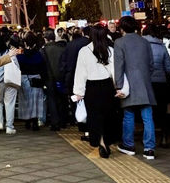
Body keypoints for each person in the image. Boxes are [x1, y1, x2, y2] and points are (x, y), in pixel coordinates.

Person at [72, 24, 120, 158]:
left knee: (95, 117)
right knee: (108, 116)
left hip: (91, 88)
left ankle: (101, 142)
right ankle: (106, 141)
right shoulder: (110, 50)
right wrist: (118, 87)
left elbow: (80, 73)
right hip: (107, 87)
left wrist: (79, 92)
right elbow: (114, 71)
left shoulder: (84, 51)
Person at [114, 16, 157, 160]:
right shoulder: (145, 42)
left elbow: (118, 66)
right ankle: (149, 149)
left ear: (122, 28)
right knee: (147, 117)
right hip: (145, 84)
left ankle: (128, 145)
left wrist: (119, 86)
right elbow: (151, 65)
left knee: (128, 115)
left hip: (129, 85)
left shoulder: (119, 42)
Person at [143, 24, 170, 147]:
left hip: (147, 82)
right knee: (162, 110)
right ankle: (164, 136)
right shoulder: (162, 47)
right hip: (161, 83)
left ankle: (150, 138)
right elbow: (168, 68)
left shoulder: (142, 47)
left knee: (147, 110)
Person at [18, 32, 48, 130]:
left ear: (25, 43)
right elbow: (43, 69)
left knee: (25, 101)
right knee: (36, 102)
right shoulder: (39, 55)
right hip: (36, 79)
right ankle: (35, 122)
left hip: (24, 79)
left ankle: (27, 121)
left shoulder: (20, 57)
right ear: (35, 44)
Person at [41, 29, 67, 130]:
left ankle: (55, 122)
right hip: (61, 77)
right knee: (63, 99)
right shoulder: (62, 48)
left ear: (45, 39)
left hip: (49, 78)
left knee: (52, 100)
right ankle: (63, 121)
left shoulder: (43, 50)